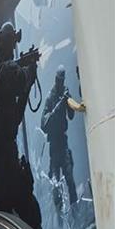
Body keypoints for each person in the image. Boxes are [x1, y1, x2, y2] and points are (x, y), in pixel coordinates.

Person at [0, 21, 43, 229]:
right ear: (11, 43)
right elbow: (20, 81)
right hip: (8, 158)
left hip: (1, 162)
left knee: (6, 225)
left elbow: (14, 116)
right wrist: (30, 69)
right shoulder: (8, 70)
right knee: (31, 215)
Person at [40, 66, 85, 210]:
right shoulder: (50, 97)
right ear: (56, 79)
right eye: (58, 80)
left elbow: (71, 116)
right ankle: (60, 214)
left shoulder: (64, 93)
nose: (60, 82)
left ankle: (75, 211)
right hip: (54, 146)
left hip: (63, 143)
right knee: (56, 184)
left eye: (62, 80)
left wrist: (68, 101)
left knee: (70, 180)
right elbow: (44, 124)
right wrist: (57, 107)